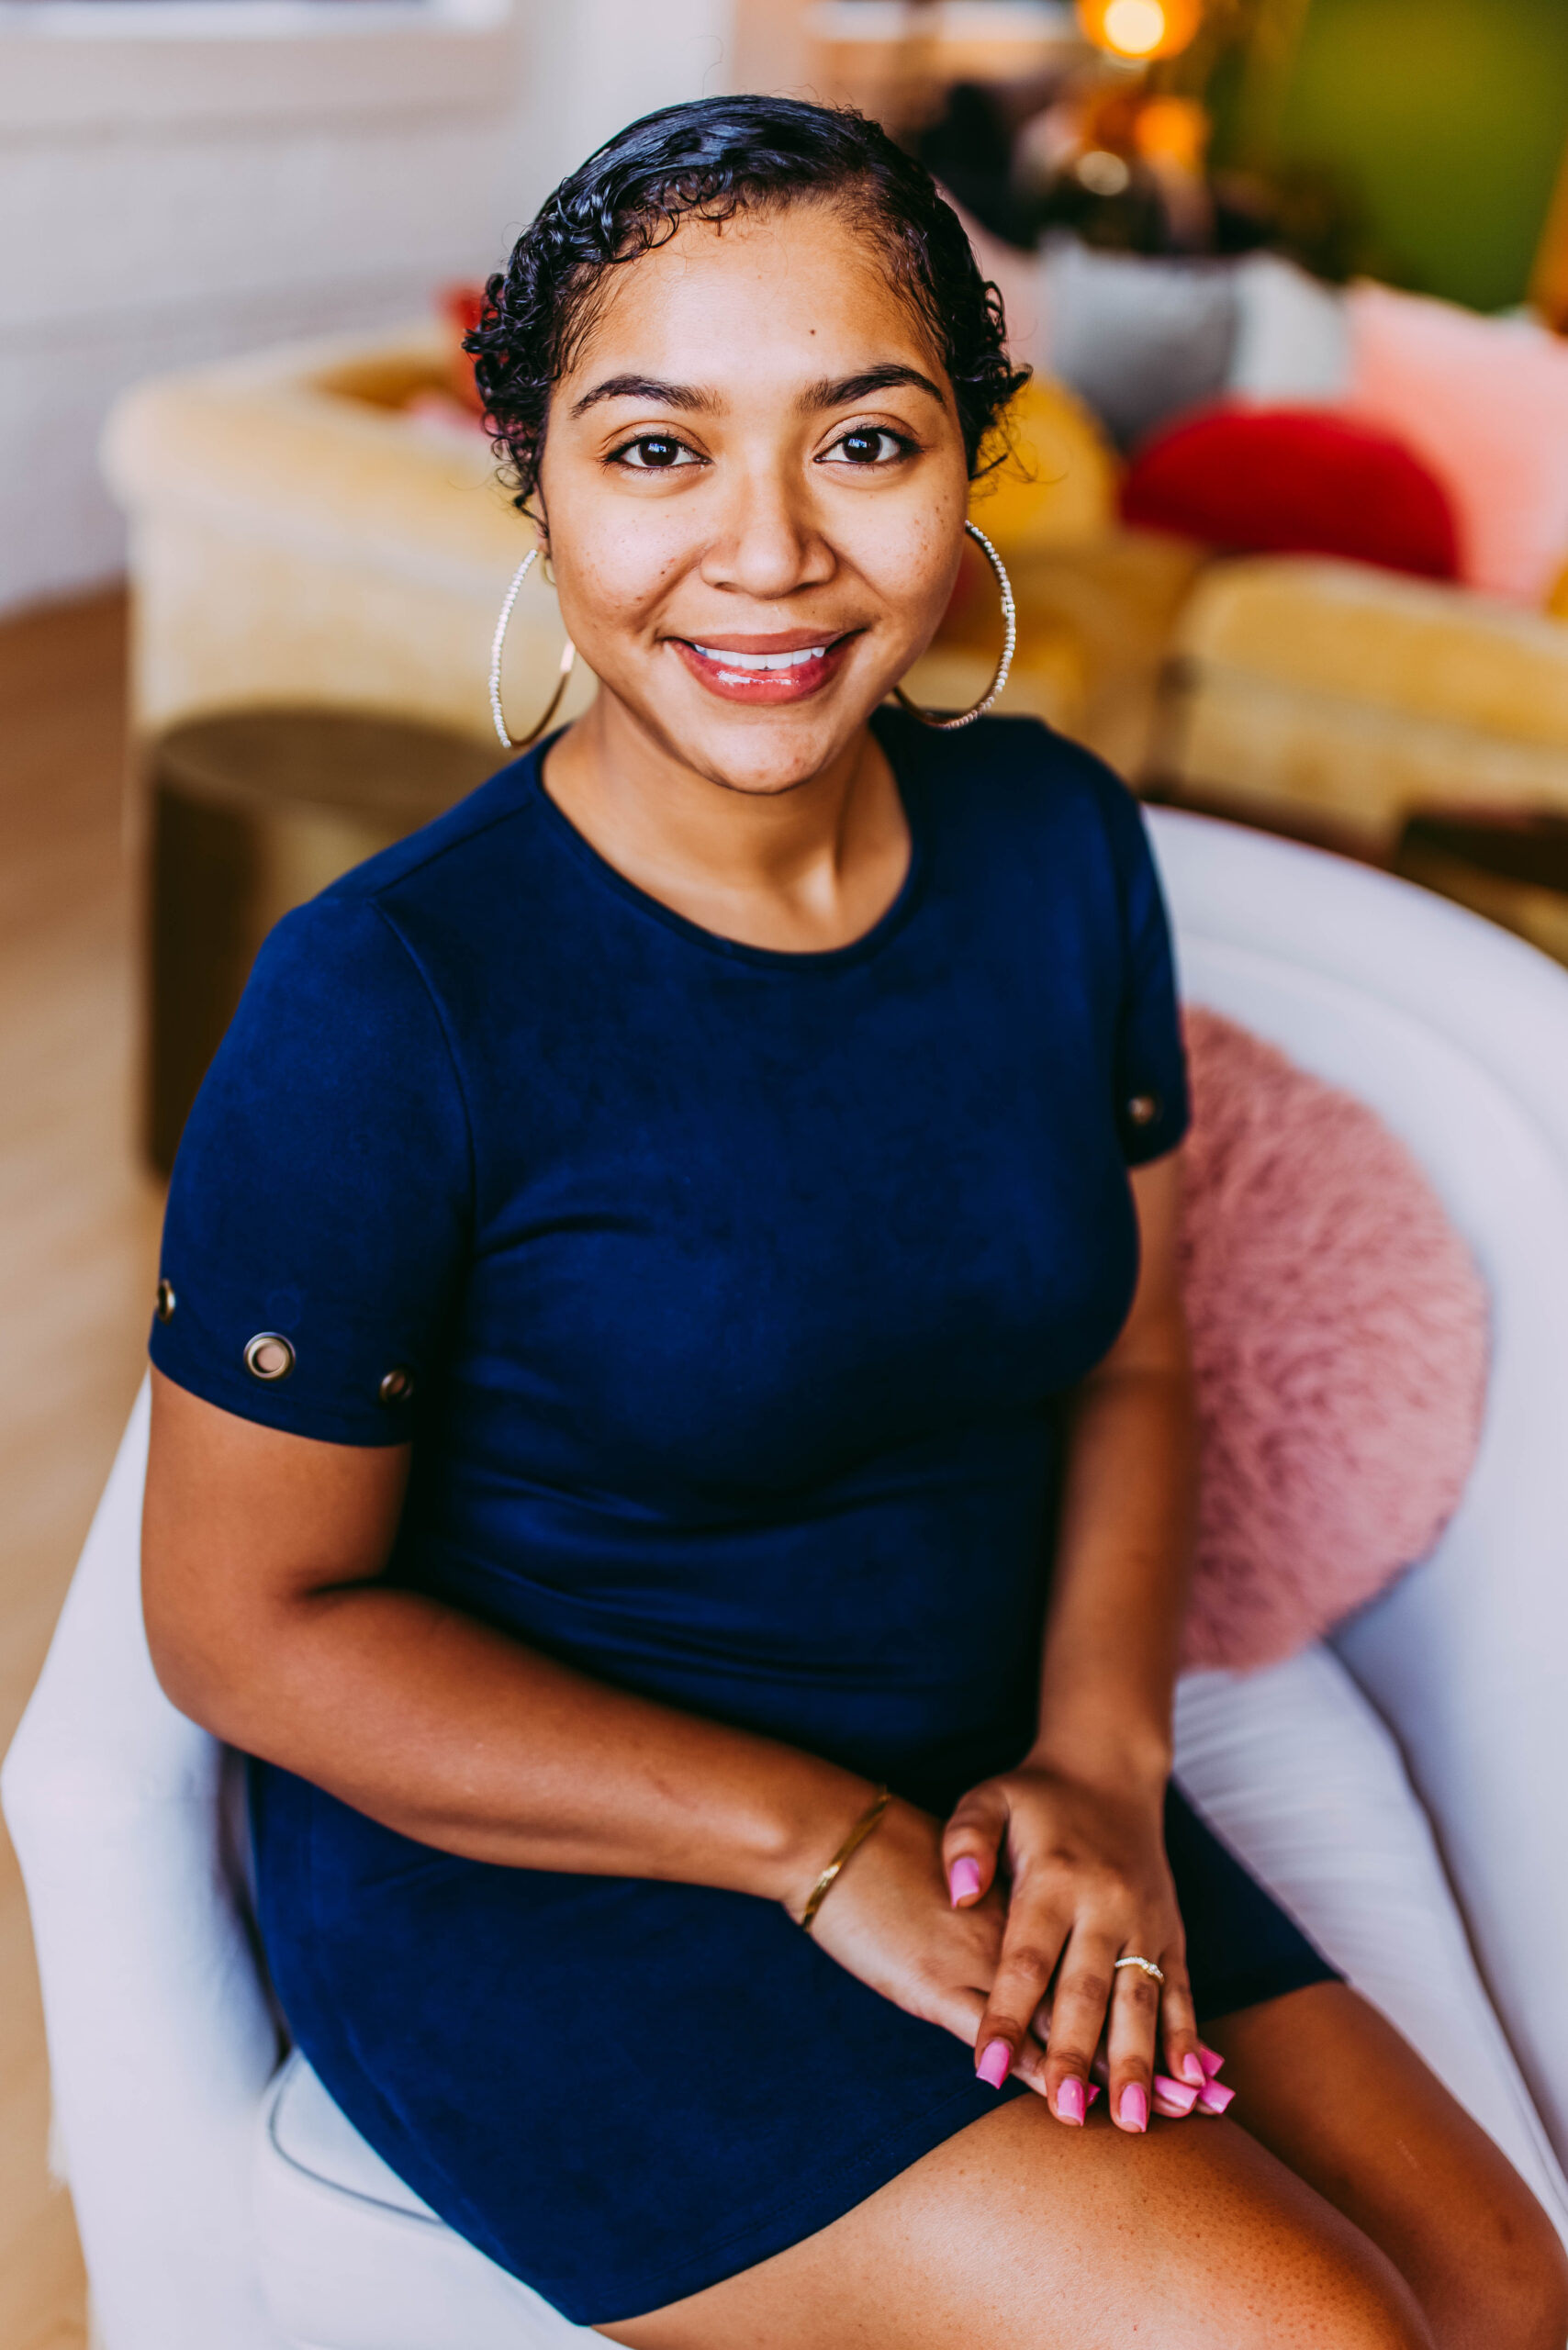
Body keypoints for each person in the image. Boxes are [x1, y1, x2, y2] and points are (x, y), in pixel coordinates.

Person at [140, 96, 1567, 2350]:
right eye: (653, 451)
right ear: (528, 470)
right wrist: (813, 1844)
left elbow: (1130, 1354)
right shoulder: (386, 999)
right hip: (557, 1866)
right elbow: (245, 1628)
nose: (768, 552)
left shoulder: (1056, 846)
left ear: (969, 460)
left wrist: (1099, 1756)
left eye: (863, 440)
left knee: (1502, 2296)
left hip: (995, 1775)